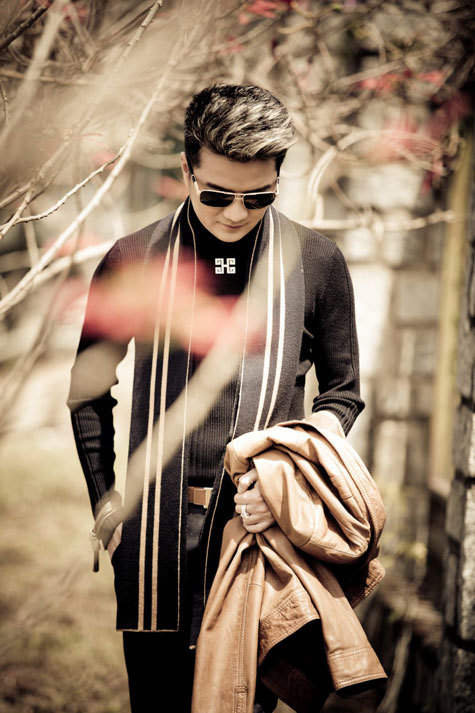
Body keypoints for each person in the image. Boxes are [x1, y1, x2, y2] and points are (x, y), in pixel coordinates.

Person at [67, 84, 365, 713]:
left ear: (278, 179)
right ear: (187, 170)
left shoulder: (316, 262)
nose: (235, 214)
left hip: (261, 535)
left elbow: (342, 394)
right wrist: (106, 505)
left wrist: (288, 482)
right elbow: (87, 390)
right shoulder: (133, 259)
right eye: (217, 194)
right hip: (152, 539)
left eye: (258, 198)